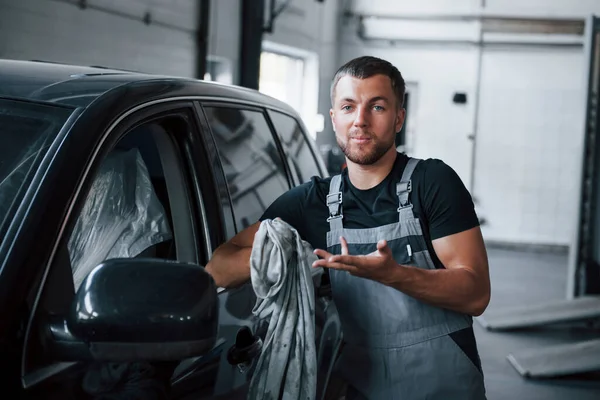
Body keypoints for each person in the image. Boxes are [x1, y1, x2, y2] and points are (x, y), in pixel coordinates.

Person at [206, 55, 490, 399]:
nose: (360, 120)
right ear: (333, 118)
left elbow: (475, 293)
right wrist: (283, 255)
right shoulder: (313, 203)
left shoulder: (432, 183)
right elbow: (219, 267)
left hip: (443, 386)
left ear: (399, 118)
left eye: (378, 107)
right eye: (348, 107)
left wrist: (394, 274)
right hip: (362, 386)